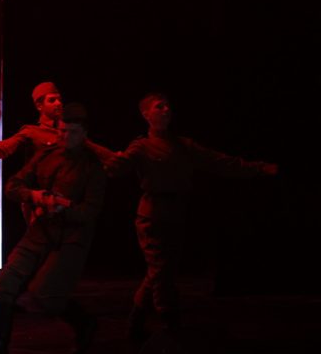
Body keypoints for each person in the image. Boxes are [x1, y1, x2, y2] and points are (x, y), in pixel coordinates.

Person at [116, 93, 278, 338]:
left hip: (175, 213)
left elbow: (218, 161)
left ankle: (136, 321)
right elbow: (117, 168)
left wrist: (258, 168)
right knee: (161, 271)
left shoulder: (183, 145)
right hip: (153, 215)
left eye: (168, 106)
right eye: (159, 106)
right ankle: (170, 324)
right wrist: (110, 160)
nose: (166, 110)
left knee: (161, 269)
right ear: (145, 114)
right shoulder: (141, 147)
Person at [0, 103, 106, 354]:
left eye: (72, 132)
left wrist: (64, 206)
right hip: (41, 229)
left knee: (45, 295)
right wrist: (34, 196)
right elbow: (14, 186)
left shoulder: (92, 166)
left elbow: (89, 212)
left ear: (84, 133)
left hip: (70, 237)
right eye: (62, 131)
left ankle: (84, 323)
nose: (65, 137)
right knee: (6, 281)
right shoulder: (47, 155)